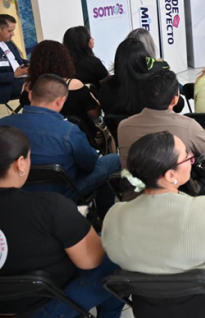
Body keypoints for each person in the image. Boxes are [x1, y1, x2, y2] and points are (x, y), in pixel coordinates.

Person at [103, 131, 205, 317]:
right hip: (204, 306)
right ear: (170, 174)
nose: (192, 158)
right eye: (187, 155)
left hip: (147, 308)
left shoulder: (114, 215)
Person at [0, 126, 123, 318]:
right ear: (20, 164)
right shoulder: (50, 206)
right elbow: (92, 260)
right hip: (42, 307)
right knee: (117, 251)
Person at [117, 71, 205, 226]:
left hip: (134, 194)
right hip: (180, 192)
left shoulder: (123, 126)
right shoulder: (188, 125)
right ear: (175, 99)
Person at [1, 74, 120, 217]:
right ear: (61, 101)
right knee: (112, 160)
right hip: (63, 194)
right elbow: (89, 165)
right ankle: (103, 216)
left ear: (30, 95)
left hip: (14, 192)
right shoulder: (69, 131)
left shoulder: (3, 124)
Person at [20, 40, 101, 143]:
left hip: (38, 140)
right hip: (78, 138)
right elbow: (95, 113)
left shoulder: (27, 87)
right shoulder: (74, 84)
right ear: (64, 61)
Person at [99, 38, 183, 116]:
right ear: (143, 60)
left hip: (119, 127)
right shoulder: (152, 85)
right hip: (151, 126)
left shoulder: (106, 87)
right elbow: (179, 106)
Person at [0, 14, 28, 105]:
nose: (13, 34)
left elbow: (19, 60)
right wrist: (14, 74)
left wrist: (34, 64)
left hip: (20, 77)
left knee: (48, 78)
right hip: (6, 85)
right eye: (10, 31)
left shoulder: (8, 42)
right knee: (39, 85)